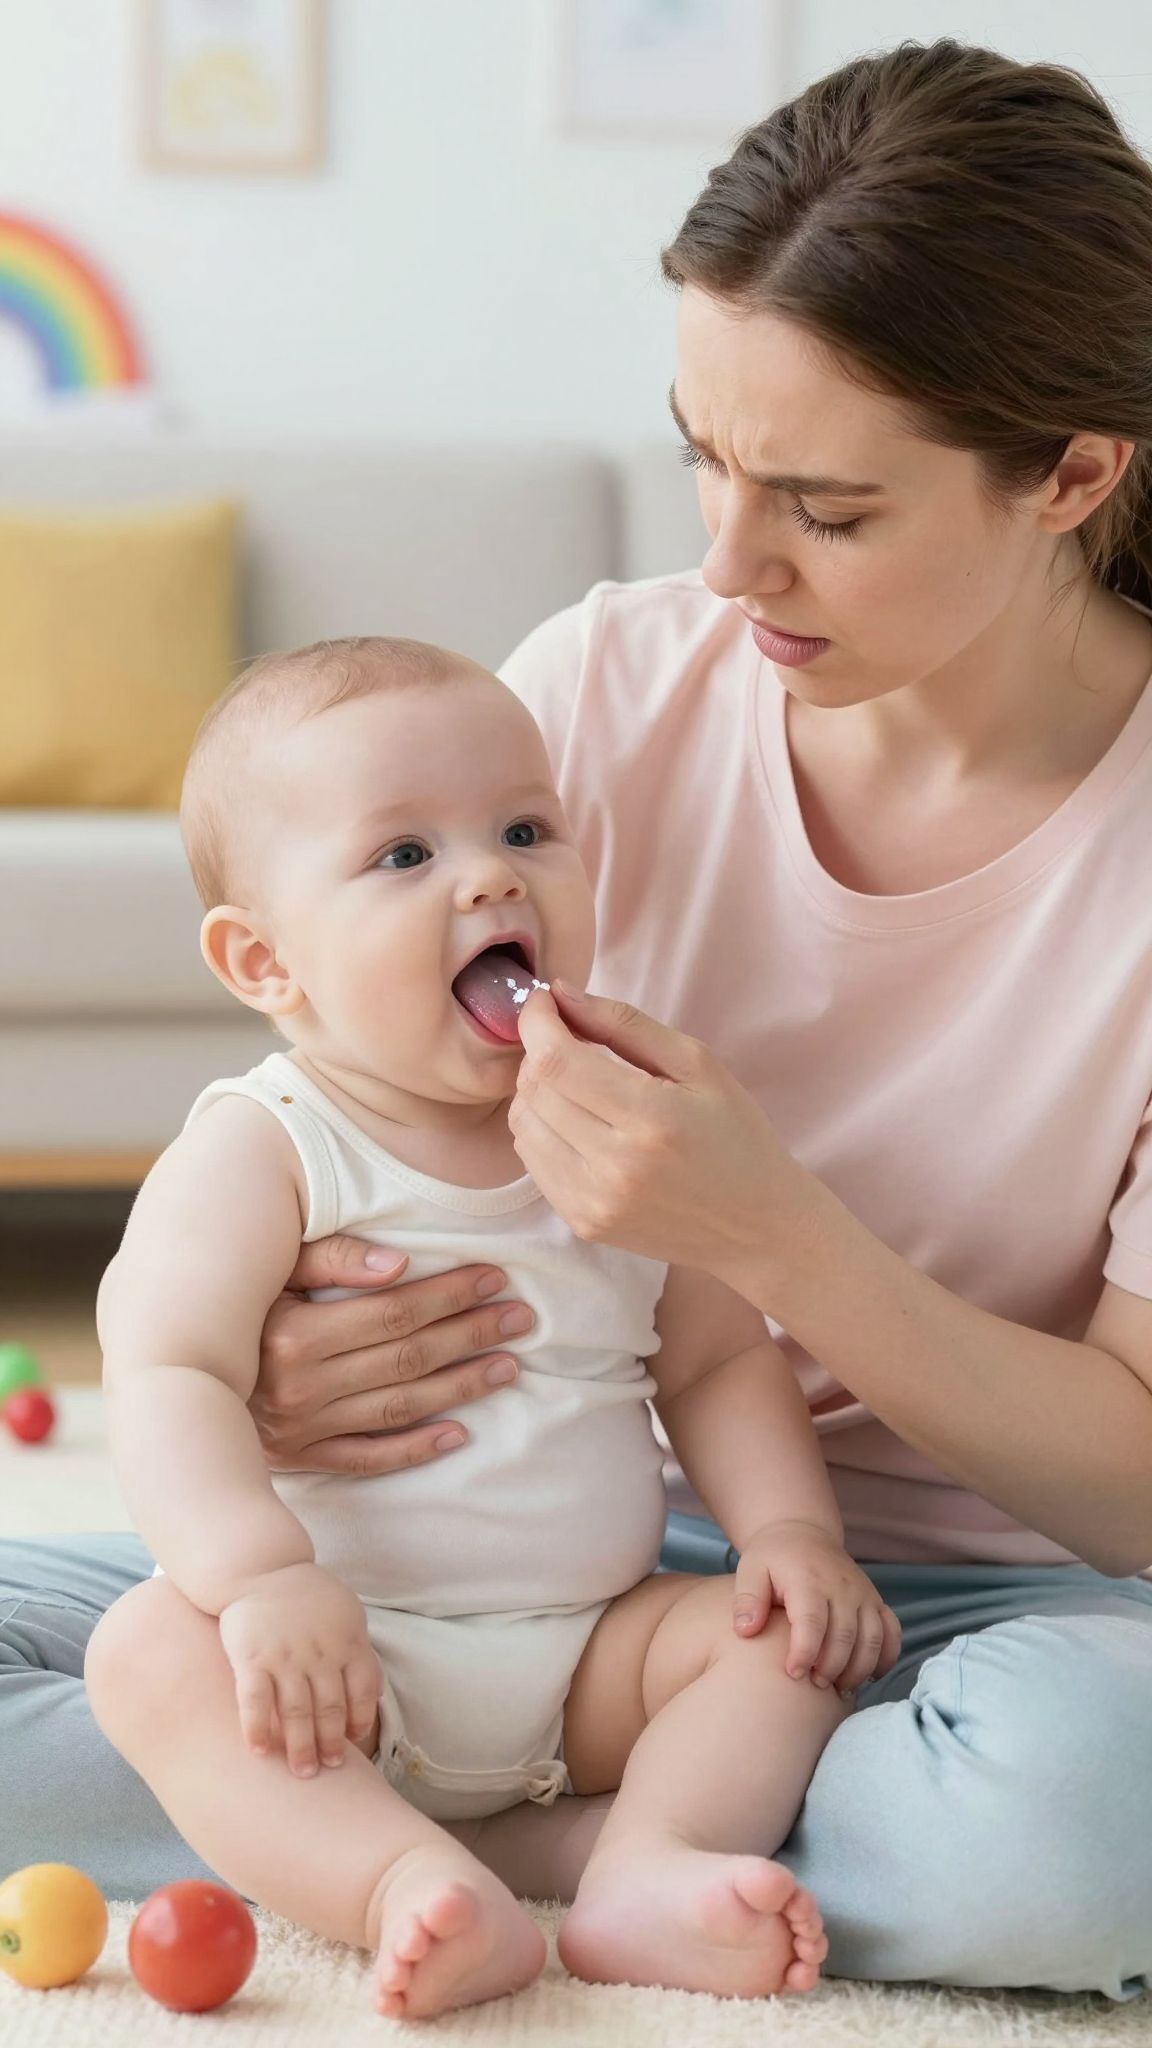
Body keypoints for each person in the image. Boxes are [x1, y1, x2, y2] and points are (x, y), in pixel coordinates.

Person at [5, 33, 1152, 2001]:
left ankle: (439, 1842)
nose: (724, 561)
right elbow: (320, 1120)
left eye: (823, 505)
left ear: (1072, 472)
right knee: (137, 1638)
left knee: (1087, 1820)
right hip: (445, 1568)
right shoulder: (605, 686)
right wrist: (272, 1365)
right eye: (703, 452)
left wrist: (768, 1231)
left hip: (935, 1622)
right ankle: (566, 1862)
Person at [83, 635, 894, 2019]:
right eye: (404, 857)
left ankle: (643, 1860)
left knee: (781, 1647)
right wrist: (261, 1577)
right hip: (335, 1669)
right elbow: (167, 1372)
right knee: (147, 1657)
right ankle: (398, 1882)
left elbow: (713, 1357)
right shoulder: (270, 1148)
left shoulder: (617, 1126)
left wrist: (790, 1540)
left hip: (591, 1658)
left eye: (526, 829)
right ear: (266, 962)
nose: (491, 875)